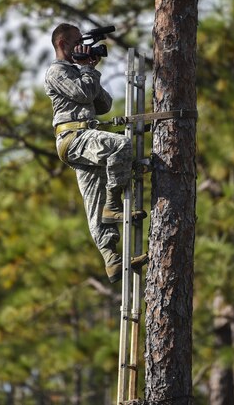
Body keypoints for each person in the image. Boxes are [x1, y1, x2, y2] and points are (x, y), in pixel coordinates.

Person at [45, 23, 147, 283]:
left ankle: (112, 259)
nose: (82, 47)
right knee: (120, 145)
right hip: (74, 138)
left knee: (94, 204)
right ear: (63, 45)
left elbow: (103, 104)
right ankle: (113, 205)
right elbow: (83, 93)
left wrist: (89, 68)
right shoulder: (56, 72)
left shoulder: (78, 72)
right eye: (77, 42)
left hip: (84, 140)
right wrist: (87, 69)